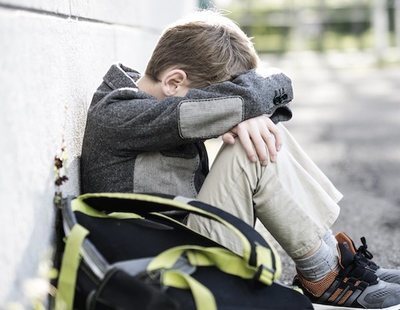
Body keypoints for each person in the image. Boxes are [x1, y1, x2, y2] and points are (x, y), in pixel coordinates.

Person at [80, 10, 400, 309]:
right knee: (249, 149)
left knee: (264, 131)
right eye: (210, 99)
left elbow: (256, 96)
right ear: (174, 82)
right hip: (166, 262)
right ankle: (323, 274)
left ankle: (332, 262)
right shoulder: (120, 114)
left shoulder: (158, 97)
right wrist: (245, 112)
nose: (214, 106)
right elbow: (255, 95)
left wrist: (250, 115)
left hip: (183, 239)